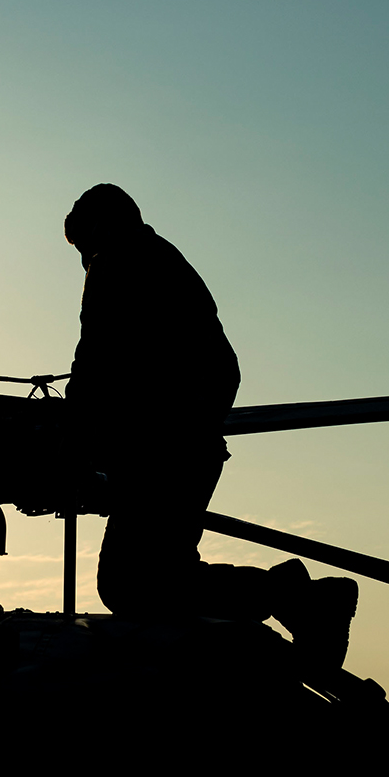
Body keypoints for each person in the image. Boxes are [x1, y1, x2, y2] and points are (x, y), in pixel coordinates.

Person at [63, 183, 241, 618]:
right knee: (151, 578)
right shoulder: (164, 260)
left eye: (84, 247)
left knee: (131, 585)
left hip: (163, 452)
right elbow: (222, 368)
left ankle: (292, 595)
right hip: (183, 445)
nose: (84, 261)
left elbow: (96, 359)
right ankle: (294, 596)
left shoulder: (116, 264)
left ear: (101, 229)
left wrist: (71, 425)